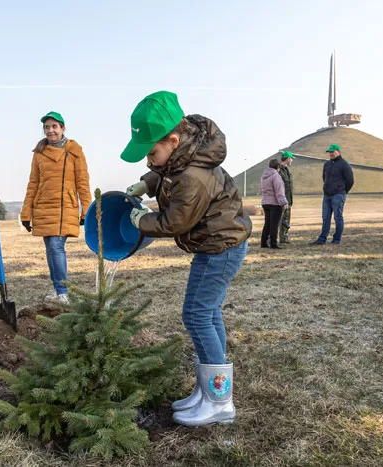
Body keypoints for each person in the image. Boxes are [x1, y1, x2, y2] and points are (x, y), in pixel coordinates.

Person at [122, 91, 252, 427]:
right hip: (216, 245)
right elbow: (166, 171)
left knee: (195, 315)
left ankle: (219, 401)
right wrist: (146, 183)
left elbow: (175, 222)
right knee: (206, 313)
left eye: (152, 153)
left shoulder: (193, 175)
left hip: (220, 248)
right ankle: (209, 391)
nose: (149, 161)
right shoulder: (183, 155)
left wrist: (140, 220)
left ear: (174, 140)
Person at [20, 111, 92, 303]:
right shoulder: (39, 154)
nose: (50, 130)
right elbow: (33, 183)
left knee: (56, 246)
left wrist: (87, 210)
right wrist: (26, 213)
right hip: (43, 207)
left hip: (65, 207)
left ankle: (62, 292)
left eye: (54, 126)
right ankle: (57, 289)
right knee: (50, 249)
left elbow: (83, 183)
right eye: (46, 127)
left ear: (62, 128)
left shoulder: (74, 151)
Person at [310, 143, 354, 245]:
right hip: (327, 195)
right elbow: (324, 178)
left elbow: (350, 180)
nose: (330, 154)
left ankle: (336, 239)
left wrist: (343, 191)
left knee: (338, 217)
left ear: (338, 152)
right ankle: (322, 239)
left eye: (332, 152)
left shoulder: (344, 164)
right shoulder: (327, 164)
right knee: (325, 218)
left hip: (338, 195)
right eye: (329, 152)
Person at [260, 159, 289, 249]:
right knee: (274, 225)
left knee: (267, 224)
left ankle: (264, 243)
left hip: (265, 202)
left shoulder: (264, 176)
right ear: (278, 166)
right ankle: (273, 243)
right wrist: (284, 202)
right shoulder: (276, 176)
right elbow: (279, 191)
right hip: (274, 203)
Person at [278, 151, 295, 245]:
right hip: (281, 200)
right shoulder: (279, 170)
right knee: (278, 220)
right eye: (291, 158)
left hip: (288, 200)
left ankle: (284, 237)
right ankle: (271, 238)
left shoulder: (287, 170)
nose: (292, 160)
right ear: (288, 159)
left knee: (286, 220)